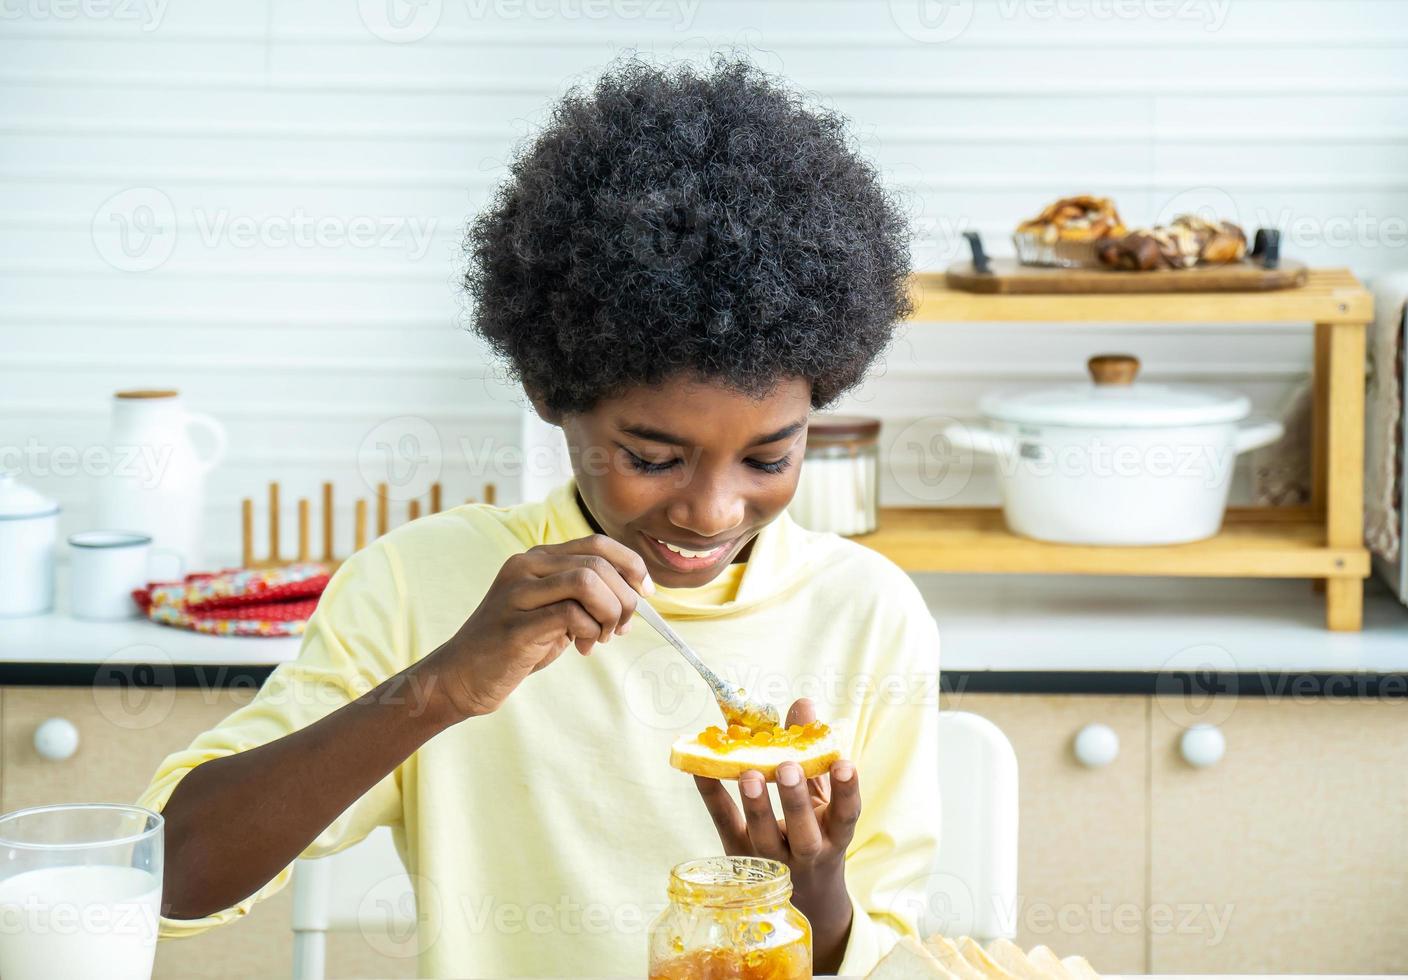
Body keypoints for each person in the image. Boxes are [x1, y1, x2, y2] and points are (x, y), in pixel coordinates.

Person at [138, 55, 941, 978]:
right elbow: (170, 876)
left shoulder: (869, 613)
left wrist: (810, 897)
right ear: (549, 391)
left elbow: (892, 958)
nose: (713, 510)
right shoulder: (420, 584)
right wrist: (441, 688)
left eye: (770, 457)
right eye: (651, 457)